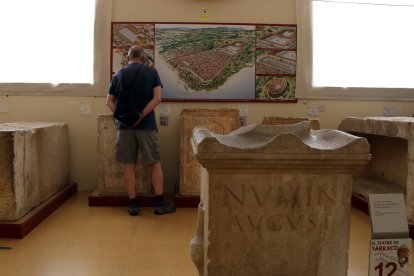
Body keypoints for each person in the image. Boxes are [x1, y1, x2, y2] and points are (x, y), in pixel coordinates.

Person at [106, 45, 176, 216]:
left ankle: (133, 205)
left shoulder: (119, 74)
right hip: (147, 126)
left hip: (124, 128)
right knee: (154, 163)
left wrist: (124, 119)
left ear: (128, 57)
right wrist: (140, 116)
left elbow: (109, 101)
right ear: (143, 58)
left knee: (128, 166)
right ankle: (159, 203)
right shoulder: (152, 73)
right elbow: (157, 99)